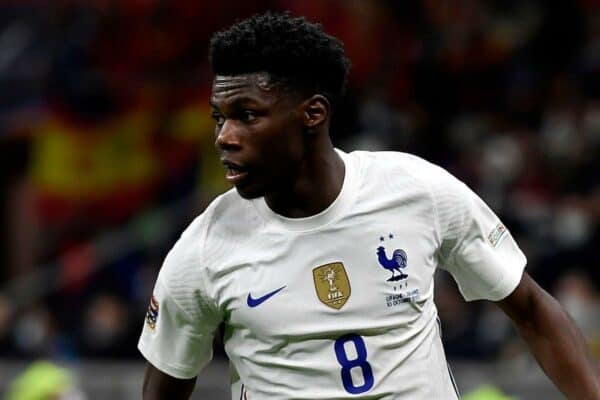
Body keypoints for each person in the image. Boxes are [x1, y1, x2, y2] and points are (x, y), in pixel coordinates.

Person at [139, 12, 600, 399]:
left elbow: (532, 310)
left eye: (248, 115)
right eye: (220, 118)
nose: (225, 137)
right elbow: (166, 384)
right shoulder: (203, 248)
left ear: (312, 114)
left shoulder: (416, 190)